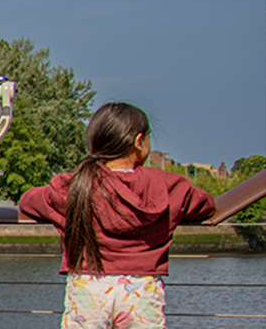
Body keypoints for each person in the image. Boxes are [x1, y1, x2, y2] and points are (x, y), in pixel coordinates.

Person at [19, 102, 215, 329]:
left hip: (88, 286)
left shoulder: (74, 187)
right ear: (138, 141)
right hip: (141, 289)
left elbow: (28, 201)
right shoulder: (166, 185)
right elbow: (206, 206)